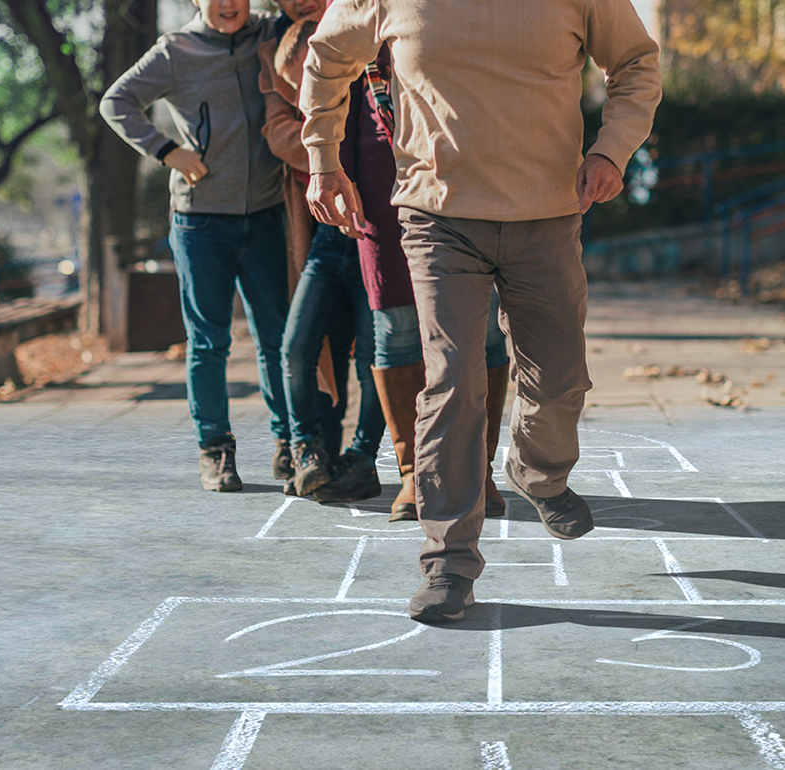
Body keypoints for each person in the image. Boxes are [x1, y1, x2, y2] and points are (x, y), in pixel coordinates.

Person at [302, 0, 661, 622]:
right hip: (437, 216)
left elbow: (635, 62)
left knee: (560, 381)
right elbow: (329, 55)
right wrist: (322, 158)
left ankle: (538, 471)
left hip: (548, 212)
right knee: (453, 380)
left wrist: (611, 150)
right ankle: (448, 561)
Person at [101, 0, 290, 492]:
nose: (228, 4)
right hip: (201, 221)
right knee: (209, 342)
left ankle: (289, 443)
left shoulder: (267, 33)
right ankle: (215, 451)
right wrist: (168, 150)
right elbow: (114, 102)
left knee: (277, 339)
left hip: (268, 214)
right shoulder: (174, 51)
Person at [334, 44, 512, 522]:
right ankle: (415, 473)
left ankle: (480, 470)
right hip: (380, 203)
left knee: (483, 330)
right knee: (395, 329)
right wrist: (337, 176)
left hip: (463, 198)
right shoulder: (355, 34)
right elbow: (333, 108)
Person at [274, 20, 387, 501]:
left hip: (373, 237)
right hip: (327, 242)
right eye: (298, 82)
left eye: (312, 74)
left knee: (373, 358)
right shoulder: (309, 120)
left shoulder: (370, 94)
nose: (307, 91)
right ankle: (308, 450)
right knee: (296, 347)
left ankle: (362, 458)